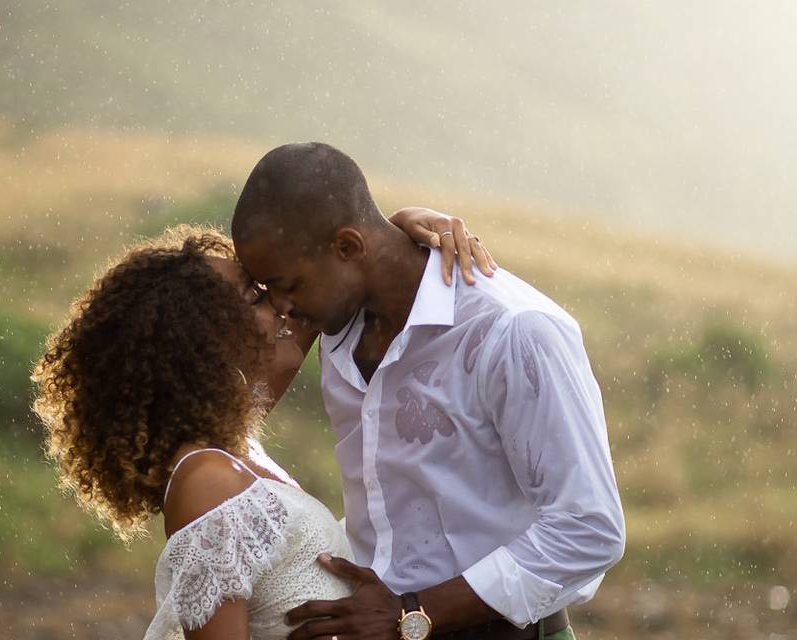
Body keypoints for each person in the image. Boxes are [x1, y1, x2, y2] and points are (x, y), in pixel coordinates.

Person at [31, 211, 494, 640]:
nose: (281, 306)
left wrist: (400, 223)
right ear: (207, 335)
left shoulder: (232, 442)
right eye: (255, 297)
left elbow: (331, 290)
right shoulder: (205, 480)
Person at [231, 142, 626, 640]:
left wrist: (412, 613)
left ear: (349, 248)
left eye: (288, 285)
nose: (283, 307)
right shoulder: (335, 330)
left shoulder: (513, 331)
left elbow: (589, 529)